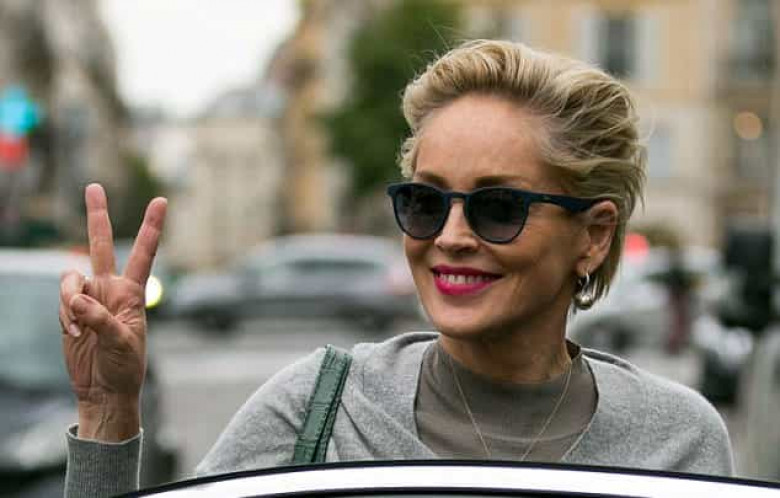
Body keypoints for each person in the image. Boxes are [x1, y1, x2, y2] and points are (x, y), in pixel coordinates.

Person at [60, 40, 733, 497]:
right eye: (425, 203)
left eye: (498, 208)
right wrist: (107, 411)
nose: (451, 237)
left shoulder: (677, 442)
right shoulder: (318, 409)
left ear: (593, 235)